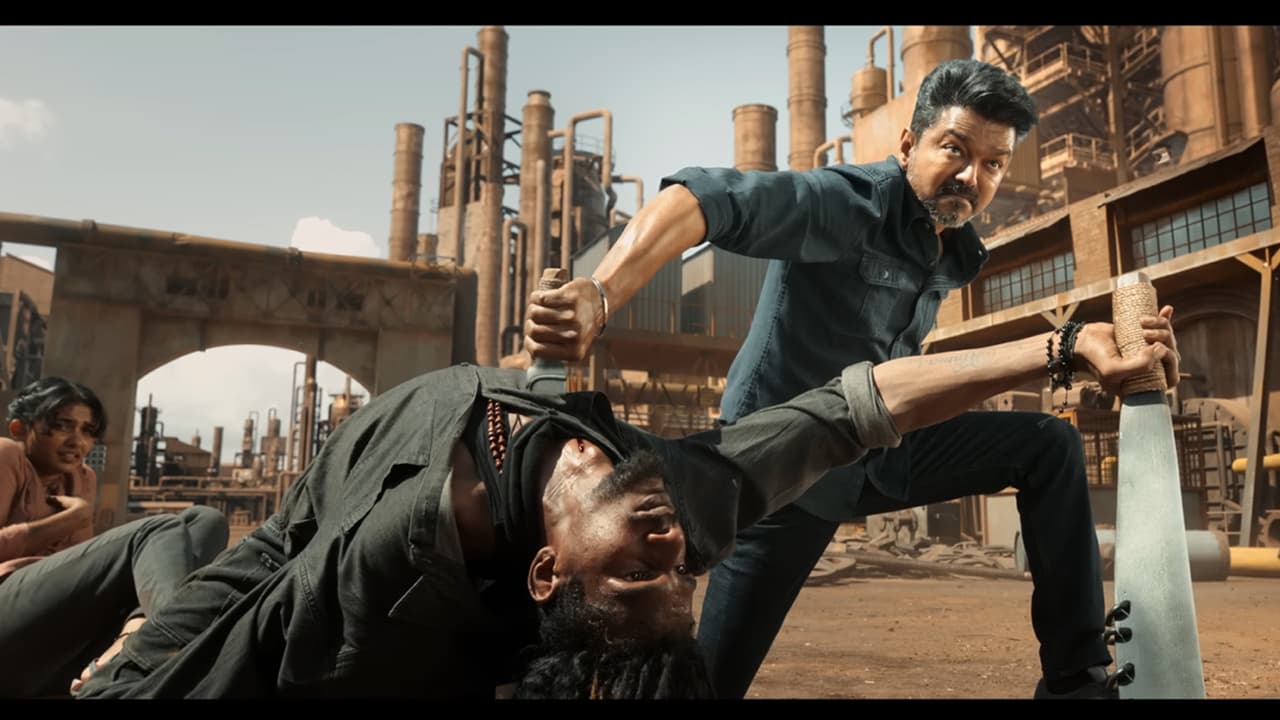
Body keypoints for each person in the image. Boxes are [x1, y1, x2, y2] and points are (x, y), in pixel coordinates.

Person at [73, 312, 1175, 699]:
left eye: (640, 572)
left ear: (547, 571)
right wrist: (1063, 346)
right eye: (683, 572)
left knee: (186, 578)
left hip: (310, 528)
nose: (671, 548)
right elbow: (859, 408)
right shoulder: (675, 496)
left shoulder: (404, 562)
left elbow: (259, 609)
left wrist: (136, 669)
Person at [523, 58, 1180, 699]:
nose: (971, 176)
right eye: (955, 149)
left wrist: (1118, 350)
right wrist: (600, 295)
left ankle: (1076, 680)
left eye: (993, 164)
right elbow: (703, 199)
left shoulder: (954, 249)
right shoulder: (849, 203)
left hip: (881, 452)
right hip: (778, 476)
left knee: (1048, 445)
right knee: (711, 683)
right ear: (908, 144)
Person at [0, 376, 229, 698]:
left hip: (55, 634)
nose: (77, 441)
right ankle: (170, 646)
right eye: (63, 426)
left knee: (206, 520)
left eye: (88, 430)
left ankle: (136, 636)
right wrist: (74, 517)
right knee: (158, 528)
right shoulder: (7, 454)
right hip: (8, 617)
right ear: (19, 429)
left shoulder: (82, 477)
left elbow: (80, 573)